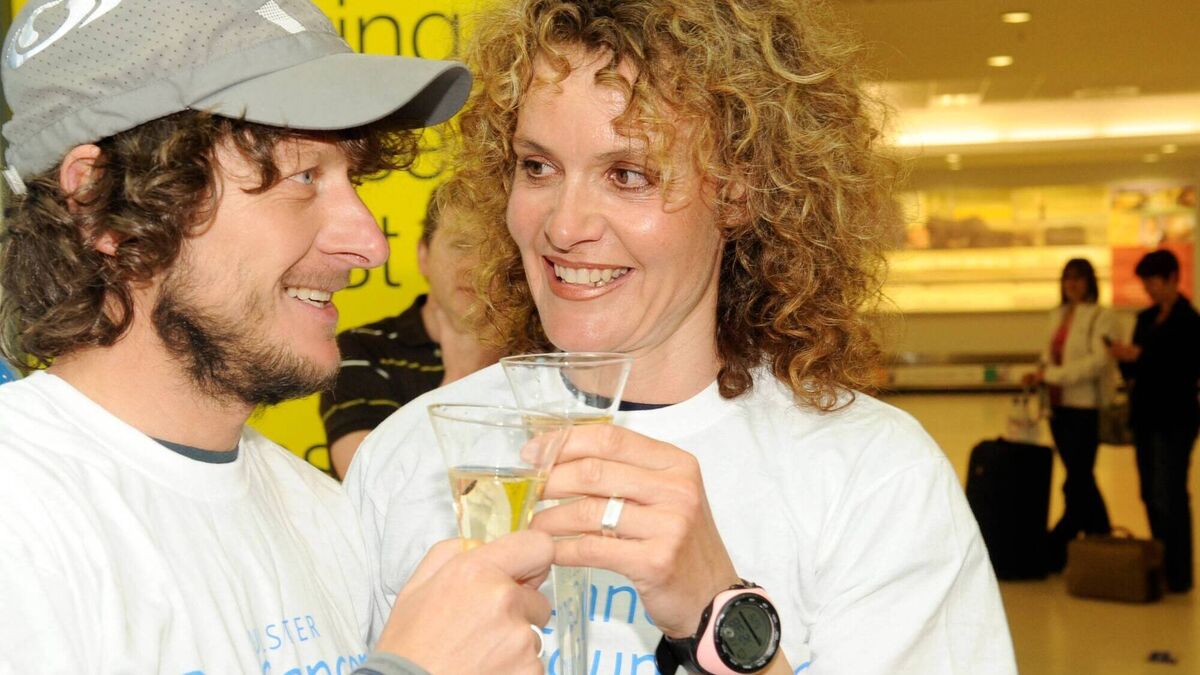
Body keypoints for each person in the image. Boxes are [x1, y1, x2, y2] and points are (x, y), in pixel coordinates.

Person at [346, 0, 1017, 672]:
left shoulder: (873, 477)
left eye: (628, 175)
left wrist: (718, 612)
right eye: (538, 167)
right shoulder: (413, 456)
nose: (564, 226)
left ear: (739, 192)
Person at [0, 1, 552, 673]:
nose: (369, 244)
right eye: (302, 177)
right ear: (101, 206)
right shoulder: (19, 511)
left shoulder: (323, 517)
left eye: (352, 178)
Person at [321, 182, 502, 478]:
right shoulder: (363, 350)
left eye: (495, 250)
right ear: (423, 256)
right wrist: (462, 376)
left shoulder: (542, 354)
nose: (476, 266)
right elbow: (372, 482)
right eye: (461, 245)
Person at [1110, 249, 1200, 594]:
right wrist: (1125, 358)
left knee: (1170, 492)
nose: (1148, 288)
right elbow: (1135, 371)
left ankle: (1179, 572)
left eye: (1153, 281)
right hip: (1146, 416)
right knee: (1149, 492)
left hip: (1175, 418)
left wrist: (1144, 356)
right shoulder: (1146, 319)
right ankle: (1160, 561)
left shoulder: (1189, 321)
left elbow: (1186, 368)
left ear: (1173, 279)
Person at [1023, 258, 1114, 571]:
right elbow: (1049, 354)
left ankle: (1060, 544)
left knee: (1078, 478)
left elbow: (1098, 362)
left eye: (1078, 278)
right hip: (1058, 407)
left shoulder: (1101, 316)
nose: (1072, 284)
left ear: (1090, 282)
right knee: (1079, 478)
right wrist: (1040, 372)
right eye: (1067, 278)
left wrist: (1053, 375)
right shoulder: (1058, 315)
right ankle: (1099, 538)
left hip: (1085, 408)